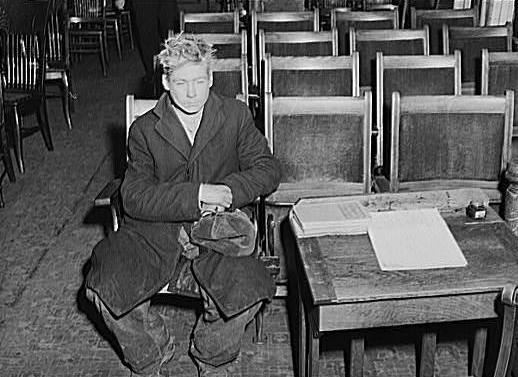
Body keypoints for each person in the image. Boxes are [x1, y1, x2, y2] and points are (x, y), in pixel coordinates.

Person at [84, 33, 282, 377]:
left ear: (211, 77)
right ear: (165, 81)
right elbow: (134, 196)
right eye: (180, 82)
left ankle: (210, 355)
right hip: (155, 233)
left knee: (250, 288)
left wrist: (228, 191)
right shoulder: (144, 129)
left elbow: (268, 170)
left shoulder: (234, 115)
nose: (192, 93)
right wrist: (197, 193)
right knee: (103, 285)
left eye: (199, 81)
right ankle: (152, 353)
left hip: (218, 233)